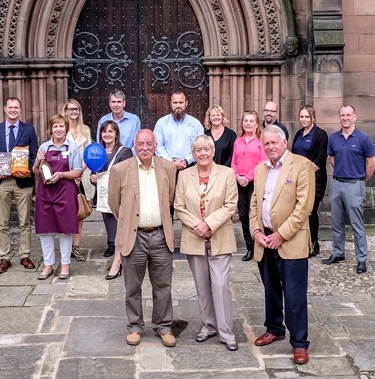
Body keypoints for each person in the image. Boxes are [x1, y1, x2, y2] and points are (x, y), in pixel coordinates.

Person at [249, 125, 315, 365]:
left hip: (291, 241)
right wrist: (256, 231)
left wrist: (281, 234)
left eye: (274, 143)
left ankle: (299, 343)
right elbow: (255, 202)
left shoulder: (302, 166)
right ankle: (275, 328)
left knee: (295, 294)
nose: (270, 147)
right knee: (271, 289)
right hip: (265, 240)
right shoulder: (260, 169)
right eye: (266, 144)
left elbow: (304, 207)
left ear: (284, 142)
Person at [108, 129, 177, 348]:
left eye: (149, 143)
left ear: (156, 145)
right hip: (134, 237)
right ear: (134, 146)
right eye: (140, 144)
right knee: (133, 286)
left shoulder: (168, 168)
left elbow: (171, 198)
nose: (145, 148)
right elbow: (114, 203)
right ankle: (135, 326)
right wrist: (129, 224)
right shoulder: (120, 170)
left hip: (160, 235)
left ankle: (163, 325)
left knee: (163, 284)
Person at [174, 135, 239, 351]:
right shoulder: (184, 175)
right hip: (194, 237)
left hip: (220, 236)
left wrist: (209, 224)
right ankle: (208, 325)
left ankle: (226, 332)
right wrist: (198, 225)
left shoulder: (227, 173)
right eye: (198, 150)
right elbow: (179, 206)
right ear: (193, 154)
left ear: (213, 151)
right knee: (202, 286)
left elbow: (230, 205)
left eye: (206, 149)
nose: (202, 154)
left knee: (220, 285)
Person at [0, 97, 38, 274]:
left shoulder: (28, 130)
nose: (13, 110)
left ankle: (24, 255)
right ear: (5, 109)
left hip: (23, 181)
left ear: (20, 110)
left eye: (16, 107)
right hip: (2, 181)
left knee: (24, 221)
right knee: (3, 222)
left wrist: (29, 169)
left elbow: (34, 154)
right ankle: (4, 258)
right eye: (11, 107)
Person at [322, 105, 375, 274]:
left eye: (348, 115)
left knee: (356, 224)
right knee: (336, 222)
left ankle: (361, 259)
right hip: (337, 184)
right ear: (339, 117)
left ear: (355, 117)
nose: (345, 118)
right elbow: (332, 159)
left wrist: (359, 179)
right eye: (342, 115)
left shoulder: (363, 139)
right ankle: (338, 253)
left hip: (355, 184)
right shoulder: (334, 138)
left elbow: (372, 164)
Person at [33, 114, 83, 280]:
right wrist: (37, 162)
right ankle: (48, 265)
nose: (59, 129)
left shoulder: (73, 147)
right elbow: (36, 171)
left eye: (61, 126)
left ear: (66, 128)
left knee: (65, 229)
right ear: (50, 129)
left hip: (65, 192)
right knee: (45, 230)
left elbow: (78, 171)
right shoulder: (44, 148)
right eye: (55, 126)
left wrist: (61, 174)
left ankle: (65, 264)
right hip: (45, 193)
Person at [90, 120, 133, 278]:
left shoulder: (124, 151)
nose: (107, 134)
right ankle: (114, 247)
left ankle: (119, 258)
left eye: (110, 131)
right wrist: (92, 178)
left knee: (120, 223)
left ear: (116, 134)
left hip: (119, 194)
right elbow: (94, 172)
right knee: (109, 223)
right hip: (103, 194)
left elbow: (128, 173)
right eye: (104, 131)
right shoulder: (97, 151)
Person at [292, 105, 328, 257]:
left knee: (310, 212)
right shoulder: (299, 133)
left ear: (313, 117)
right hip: (298, 179)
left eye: (307, 116)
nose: (304, 119)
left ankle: (313, 244)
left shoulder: (320, 134)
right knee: (299, 211)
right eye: (302, 116)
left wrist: (304, 173)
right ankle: (301, 242)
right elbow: (293, 155)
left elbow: (321, 158)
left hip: (315, 180)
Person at [231, 110, 267, 261]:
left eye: (251, 121)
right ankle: (249, 248)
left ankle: (259, 245)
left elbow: (262, 163)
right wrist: (237, 176)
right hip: (240, 183)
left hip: (254, 184)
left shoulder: (261, 142)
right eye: (246, 121)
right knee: (244, 215)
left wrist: (247, 177)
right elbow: (233, 161)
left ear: (257, 123)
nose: (248, 124)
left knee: (255, 215)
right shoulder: (238, 141)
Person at [64, 99, 93, 262]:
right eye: (71, 109)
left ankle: (76, 247)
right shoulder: (61, 128)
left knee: (79, 213)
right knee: (67, 213)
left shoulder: (85, 130)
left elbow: (89, 152)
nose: (74, 112)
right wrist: (71, 174)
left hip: (82, 176)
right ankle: (66, 247)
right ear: (66, 111)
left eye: (77, 109)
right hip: (66, 176)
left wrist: (79, 172)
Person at [154, 91, 204, 171]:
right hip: (166, 167)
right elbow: (157, 146)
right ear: (170, 104)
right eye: (175, 103)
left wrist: (186, 161)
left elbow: (200, 146)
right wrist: (170, 162)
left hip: (190, 168)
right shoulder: (161, 123)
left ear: (186, 103)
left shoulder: (196, 124)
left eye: (181, 102)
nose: (178, 105)